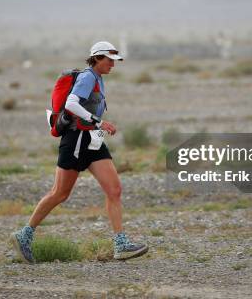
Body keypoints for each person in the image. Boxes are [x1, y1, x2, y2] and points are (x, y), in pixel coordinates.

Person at [10, 41, 148, 264]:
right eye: (109, 60)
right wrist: (99, 121)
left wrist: (97, 126)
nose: (113, 64)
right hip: (76, 140)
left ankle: (121, 244)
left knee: (114, 189)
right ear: (97, 58)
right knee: (60, 194)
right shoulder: (87, 77)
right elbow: (72, 104)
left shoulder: (98, 79)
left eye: (114, 60)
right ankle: (24, 235)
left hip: (93, 141)